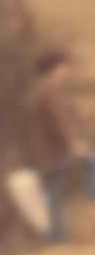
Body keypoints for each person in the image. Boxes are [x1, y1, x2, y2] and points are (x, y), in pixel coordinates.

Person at [19, 51, 95, 244]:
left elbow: (63, 118)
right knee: (88, 169)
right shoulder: (50, 91)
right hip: (51, 152)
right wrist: (75, 143)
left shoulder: (38, 90)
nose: (68, 71)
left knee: (53, 191)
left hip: (42, 153)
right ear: (54, 68)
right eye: (64, 66)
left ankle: (57, 235)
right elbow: (60, 120)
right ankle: (62, 232)